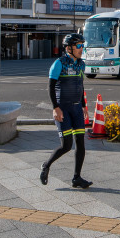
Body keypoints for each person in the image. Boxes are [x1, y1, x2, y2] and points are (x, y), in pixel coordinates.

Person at [39, 33, 93, 189]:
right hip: (63, 109)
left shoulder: (81, 64)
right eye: (79, 46)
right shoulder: (59, 63)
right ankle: (46, 165)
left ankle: (77, 178)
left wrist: (84, 107)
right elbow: (50, 86)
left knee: (81, 144)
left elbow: (81, 86)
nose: (82, 49)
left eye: (83, 45)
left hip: (76, 108)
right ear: (69, 48)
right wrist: (55, 108)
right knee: (67, 145)